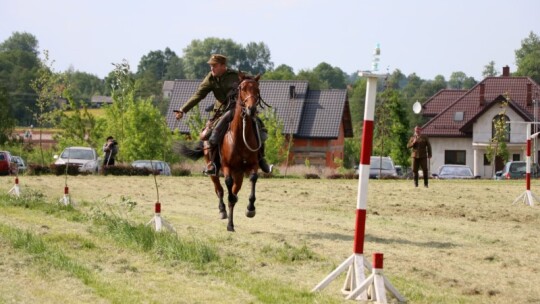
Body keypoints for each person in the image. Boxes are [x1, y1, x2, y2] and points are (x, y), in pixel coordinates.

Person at [174, 54, 272, 175]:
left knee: (259, 127)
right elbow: (198, 95)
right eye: (211, 66)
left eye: (214, 66)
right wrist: (182, 110)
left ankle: (261, 159)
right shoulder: (210, 78)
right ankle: (213, 164)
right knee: (210, 134)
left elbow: (250, 83)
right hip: (221, 111)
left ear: (222, 66)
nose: (212, 69)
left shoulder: (235, 76)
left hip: (240, 109)